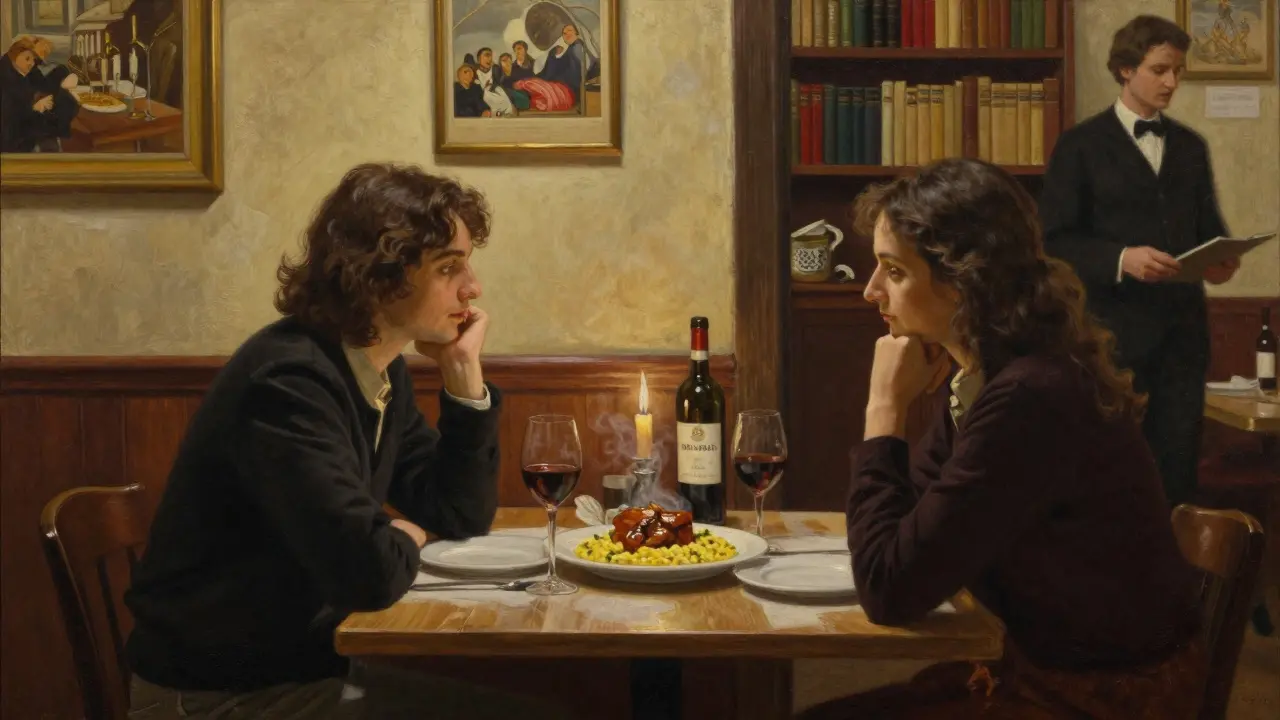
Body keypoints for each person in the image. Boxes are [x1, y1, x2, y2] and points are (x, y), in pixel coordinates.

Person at [124, 163, 567, 719]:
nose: (473, 288)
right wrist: (403, 532)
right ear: (381, 275)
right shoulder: (289, 383)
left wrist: (463, 376)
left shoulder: (377, 369)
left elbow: (458, 512)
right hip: (216, 697)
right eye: (449, 267)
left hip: (298, 670)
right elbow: (370, 573)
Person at [804, 159, 1206, 720]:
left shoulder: (1029, 397)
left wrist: (885, 408)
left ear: (962, 282)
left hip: (1101, 696)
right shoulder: (989, 376)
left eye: (893, 271)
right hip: (1038, 669)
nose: (871, 291)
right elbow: (908, 537)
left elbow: (888, 589)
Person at [1038, 15, 1239, 508]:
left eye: (1178, 71)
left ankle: (1173, 584)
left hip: (1182, 342)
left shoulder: (1191, 147)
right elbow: (1053, 241)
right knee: (1109, 474)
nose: (1172, 82)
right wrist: (1122, 258)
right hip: (1109, 342)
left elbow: (1209, 230)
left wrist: (1222, 259)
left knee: (1176, 471)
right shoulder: (1080, 146)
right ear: (1126, 70)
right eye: (1159, 70)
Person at [1, 37, 79, 152]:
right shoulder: (6, 77)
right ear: (14, 55)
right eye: (27, 59)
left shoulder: (19, 68)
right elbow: (9, 116)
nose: (31, 63)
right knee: (63, 103)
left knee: (64, 97)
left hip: (28, 113)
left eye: (33, 60)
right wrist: (34, 107)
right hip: (14, 135)